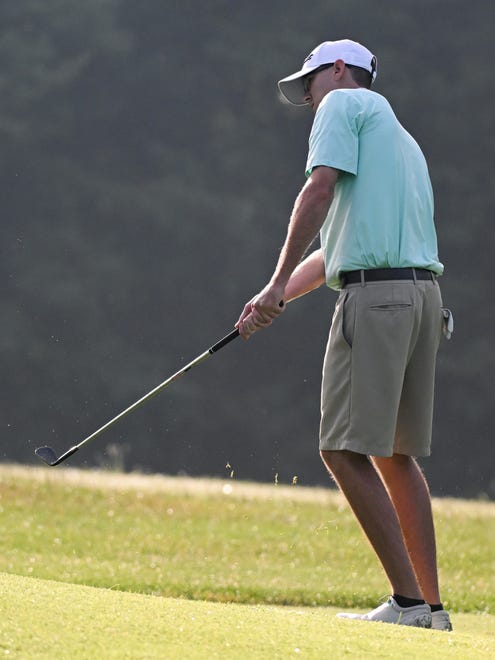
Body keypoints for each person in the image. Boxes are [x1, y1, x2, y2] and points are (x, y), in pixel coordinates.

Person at [236, 39, 452, 631]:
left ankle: (406, 605)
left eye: (309, 84)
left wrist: (277, 279)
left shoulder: (343, 106)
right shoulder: (399, 139)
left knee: (340, 449)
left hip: (377, 300)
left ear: (337, 71)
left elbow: (318, 188)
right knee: (392, 453)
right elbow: (338, 247)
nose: (308, 100)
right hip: (421, 299)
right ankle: (431, 610)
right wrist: (274, 293)